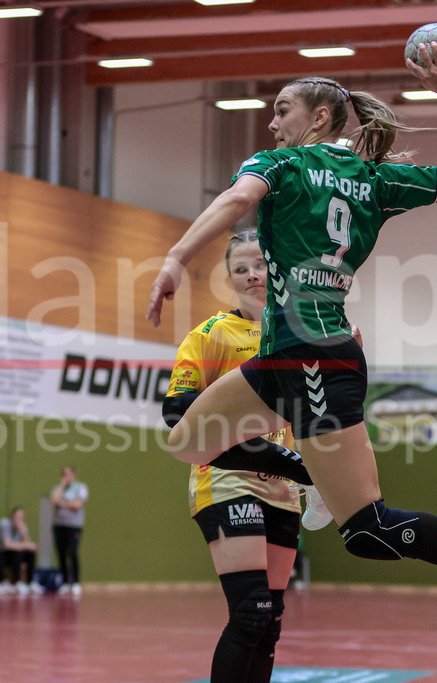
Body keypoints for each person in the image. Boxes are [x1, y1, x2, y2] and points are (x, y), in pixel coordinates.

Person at [146, 44, 437, 657]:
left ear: (318, 118)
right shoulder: (374, 179)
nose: (271, 122)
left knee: (367, 531)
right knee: (188, 442)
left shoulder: (281, 164)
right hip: (285, 356)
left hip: (315, 356)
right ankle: (312, 477)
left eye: (282, 109)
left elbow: (235, 202)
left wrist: (177, 256)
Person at [164, 230, 303, 681]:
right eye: (240, 269)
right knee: (251, 610)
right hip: (226, 477)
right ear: (230, 279)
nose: (252, 275)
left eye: (260, 265)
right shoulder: (210, 335)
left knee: (270, 621)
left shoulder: (298, 334)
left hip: (283, 485)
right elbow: (177, 410)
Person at [49, 465, 88, 596]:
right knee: (61, 553)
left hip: (74, 526)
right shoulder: (58, 488)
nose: (66, 477)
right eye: (64, 474)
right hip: (59, 525)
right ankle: (65, 582)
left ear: (74, 475)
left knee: (72, 552)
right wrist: (61, 486)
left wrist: (62, 503)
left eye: (68, 474)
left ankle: (75, 582)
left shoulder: (80, 488)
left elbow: (77, 505)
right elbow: (53, 500)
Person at [0, 506, 40, 595]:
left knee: (29, 554)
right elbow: (7, 545)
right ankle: (15, 582)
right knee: (17, 553)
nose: (20, 520)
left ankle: (30, 582)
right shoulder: (4, 523)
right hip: (1, 554)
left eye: (22, 517)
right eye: (18, 517)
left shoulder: (23, 527)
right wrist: (24, 545)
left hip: (14, 553)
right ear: (12, 516)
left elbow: (30, 546)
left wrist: (23, 533)